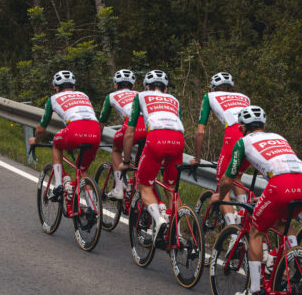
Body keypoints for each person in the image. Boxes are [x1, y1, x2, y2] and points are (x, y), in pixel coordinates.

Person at [211, 106, 302, 295]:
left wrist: (218, 196)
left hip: (280, 186)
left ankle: (255, 289)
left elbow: (228, 179)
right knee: (284, 223)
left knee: (256, 232)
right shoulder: (279, 138)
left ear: (242, 127)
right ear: (264, 126)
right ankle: (295, 258)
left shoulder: (243, 142)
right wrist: (266, 197)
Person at [119, 70, 185, 243]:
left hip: (156, 138)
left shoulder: (140, 96)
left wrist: (126, 161)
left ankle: (159, 220)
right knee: (172, 190)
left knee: (145, 185)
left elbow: (130, 132)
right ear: (165, 88)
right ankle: (177, 234)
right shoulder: (174, 100)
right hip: (178, 140)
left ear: (146, 86)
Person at [191, 72, 252, 227]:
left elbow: (200, 131)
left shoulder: (209, 97)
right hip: (252, 137)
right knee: (236, 176)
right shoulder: (245, 98)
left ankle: (233, 230)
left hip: (233, 134)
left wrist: (197, 158)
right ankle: (243, 217)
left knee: (223, 185)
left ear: (213, 88)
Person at [28, 70, 101, 197]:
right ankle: (92, 209)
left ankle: (58, 185)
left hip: (75, 130)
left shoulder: (53, 99)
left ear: (56, 88)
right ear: (73, 87)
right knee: (83, 172)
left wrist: (36, 140)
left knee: (56, 143)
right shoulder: (84, 95)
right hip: (95, 131)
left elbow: (41, 128)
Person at [98, 69, 146, 200]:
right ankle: (136, 187)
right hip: (150, 128)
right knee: (140, 163)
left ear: (115, 85)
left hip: (133, 125)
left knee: (116, 148)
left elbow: (102, 123)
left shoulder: (111, 96)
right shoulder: (141, 94)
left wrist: (96, 140)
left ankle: (119, 188)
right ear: (134, 86)